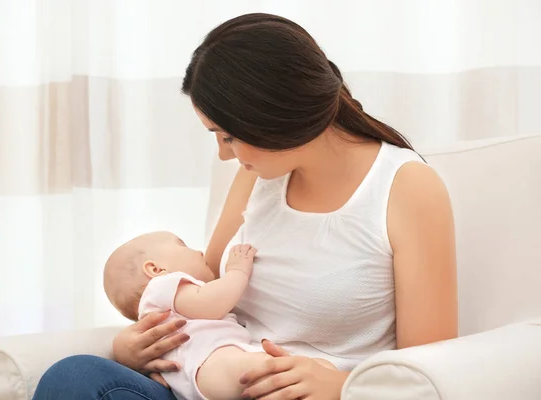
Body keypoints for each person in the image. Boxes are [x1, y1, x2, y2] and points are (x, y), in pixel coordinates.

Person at [33, 12, 457, 400]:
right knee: (73, 378)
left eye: (228, 136)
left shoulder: (405, 187)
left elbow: (429, 369)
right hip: (219, 381)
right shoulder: (255, 178)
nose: (224, 155)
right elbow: (205, 292)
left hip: (311, 395)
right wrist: (134, 347)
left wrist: (343, 387)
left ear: (271, 115)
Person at [103, 231, 336, 399]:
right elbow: (210, 304)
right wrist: (238, 272)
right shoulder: (163, 286)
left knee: (318, 368)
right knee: (272, 372)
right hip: (211, 365)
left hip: (203, 373)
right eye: (182, 245)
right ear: (155, 269)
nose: (199, 251)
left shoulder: (163, 304)